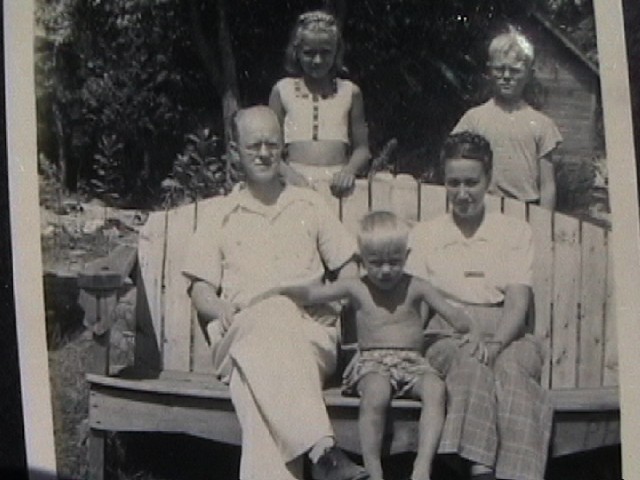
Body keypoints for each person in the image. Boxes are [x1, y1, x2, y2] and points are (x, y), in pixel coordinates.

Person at [182, 106, 369, 480]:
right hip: (241, 332)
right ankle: (323, 451)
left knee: (252, 386)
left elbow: (349, 268)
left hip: (309, 335)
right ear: (235, 152)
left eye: (271, 144)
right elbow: (200, 290)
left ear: (283, 147)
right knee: (272, 311)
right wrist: (219, 308)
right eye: (254, 146)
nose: (264, 153)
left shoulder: (309, 204)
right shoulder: (221, 214)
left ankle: (322, 455)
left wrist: (328, 299)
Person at [252, 210, 476, 480]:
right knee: (377, 392)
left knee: (436, 389)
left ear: (406, 256)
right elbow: (314, 294)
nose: (385, 270)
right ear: (362, 260)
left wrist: (472, 332)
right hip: (371, 363)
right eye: (376, 263)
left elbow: (454, 315)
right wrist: (281, 291)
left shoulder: (418, 286)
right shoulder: (356, 287)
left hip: (413, 363)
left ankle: (422, 466)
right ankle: (374, 469)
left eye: (394, 262)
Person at [406, 132, 553, 480]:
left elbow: (517, 302)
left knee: (513, 371)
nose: (462, 193)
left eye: (471, 183)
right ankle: (480, 469)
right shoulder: (426, 234)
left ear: (488, 179)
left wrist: (497, 344)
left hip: (507, 330)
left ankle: (516, 475)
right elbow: (419, 304)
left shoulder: (514, 232)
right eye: (453, 183)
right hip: (447, 331)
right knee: (470, 364)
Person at [452, 27, 562, 209]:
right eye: (499, 69)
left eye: (515, 71)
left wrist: (543, 220)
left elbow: (547, 186)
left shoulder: (542, 124)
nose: (506, 76)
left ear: (529, 75)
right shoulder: (473, 119)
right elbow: (455, 167)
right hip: (483, 207)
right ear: (489, 70)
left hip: (526, 209)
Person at [269, 10, 371, 198]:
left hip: (337, 184)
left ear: (336, 52)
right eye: (309, 53)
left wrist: (349, 171)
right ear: (296, 52)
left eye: (325, 52)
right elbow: (270, 148)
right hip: (294, 183)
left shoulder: (350, 92)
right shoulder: (282, 90)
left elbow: (362, 149)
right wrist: (289, 174)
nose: (317, 60)